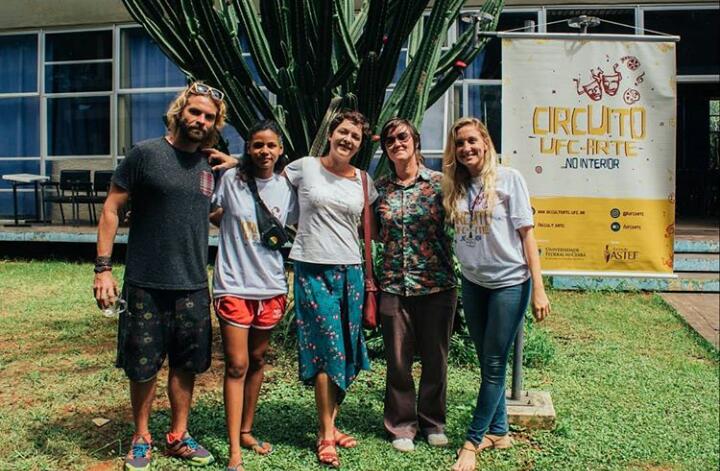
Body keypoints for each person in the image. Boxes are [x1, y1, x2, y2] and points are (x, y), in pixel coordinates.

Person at [93, 82, 227, 471]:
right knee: (142, 365)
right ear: (179, 111)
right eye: (195, 112)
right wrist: (103, 269)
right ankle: (141, 437)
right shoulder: (145, 154)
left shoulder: (212, 165)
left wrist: (239, 168)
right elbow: (112, 209)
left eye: (209, 117)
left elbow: (213, 212)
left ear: (215, 124)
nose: (200, 120)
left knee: (187, 364)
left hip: (192, 284)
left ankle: (178, 435)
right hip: (145, 283)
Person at [441, 117, 551, 471]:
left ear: (485, 142)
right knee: (488, 363)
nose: (466, 148)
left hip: (509, 284)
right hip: (474, 283)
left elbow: (527, 236)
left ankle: (472, 442)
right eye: (460, 143)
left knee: (492, 365)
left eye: (472, 141)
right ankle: (499, 432)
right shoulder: (456, 186)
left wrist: (538, 290)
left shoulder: (509, 179)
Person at [284, 109, 377, 468]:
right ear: (331, 133)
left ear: (360, 145)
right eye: (343, 132)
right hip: (312, 267)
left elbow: (373, 225)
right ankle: (325, 434)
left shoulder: (364, 181)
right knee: (327, 348)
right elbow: (265, 182)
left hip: (351, 270)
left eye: (355, 136)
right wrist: (236, 164)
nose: (347, 139)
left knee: (347, 350)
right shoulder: (304, 167)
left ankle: (332, 423)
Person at [209, 120, 298, 471]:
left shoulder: (287, 188)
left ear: (280, 150)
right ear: (248, 148)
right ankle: (234, 450)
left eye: (271, 145)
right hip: (234, 285)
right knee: (237, 364)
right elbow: (214, 211)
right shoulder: (231, 179)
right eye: (258, 145)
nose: (264, 151)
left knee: (258, 359)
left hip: (271, 286)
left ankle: (246, 430)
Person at [374, 118, 456, 452]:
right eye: (390, 141)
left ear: (416, 141)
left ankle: (433, 421)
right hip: (394, 284)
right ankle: (402, 425)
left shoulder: (440, 184)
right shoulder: (380, 189)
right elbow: (373, 232)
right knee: (397, 360)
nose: (397, 143)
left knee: (436, 358)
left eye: (402, 137)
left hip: (436, 283)